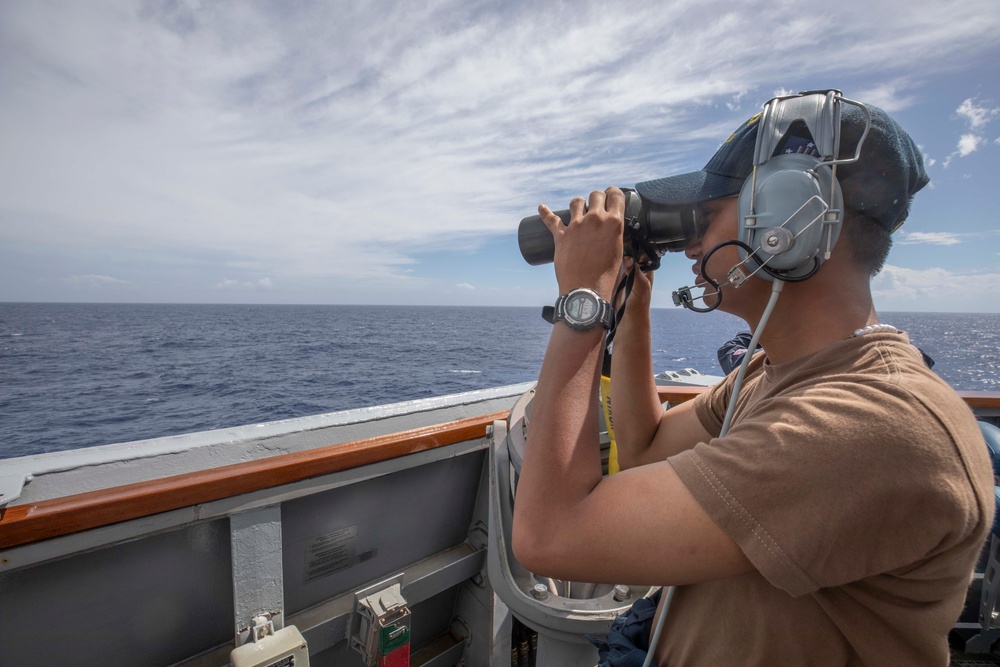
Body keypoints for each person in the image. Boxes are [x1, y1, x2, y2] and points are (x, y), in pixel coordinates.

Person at [511, 92, 994, 666]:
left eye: (707, 216)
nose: (690, 244)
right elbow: (645, 451)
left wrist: (582, 301)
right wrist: (629, 303)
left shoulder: (869, 422)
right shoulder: (778, 374)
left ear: (791, 217)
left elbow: (549, 536)